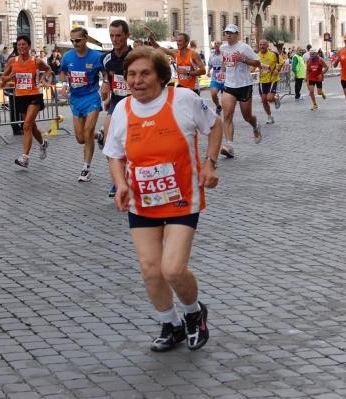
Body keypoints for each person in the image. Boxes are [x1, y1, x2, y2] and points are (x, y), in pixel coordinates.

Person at [103, 46, 222, 353]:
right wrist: (120, 184)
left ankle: (194, 313)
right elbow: (114, 154)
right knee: (150, 269)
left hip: (182, 197)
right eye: (131, 74)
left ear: (160, 76)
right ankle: (170, 324)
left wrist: (210, 163)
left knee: (172, 269)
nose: (136, 80)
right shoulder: (122, 110)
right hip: (142, 202)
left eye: (144, 73)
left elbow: (215, 125)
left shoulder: (183, 100)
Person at [59, 27, 105, 182]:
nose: (74, 43)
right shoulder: (67, 56)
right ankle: (98, 136)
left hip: (92, 97)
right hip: (76, 99)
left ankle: (86, 168)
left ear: (85, 39)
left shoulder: (96, 56)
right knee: (80, 138)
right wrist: (64, 83)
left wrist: (106, 83)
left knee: (87, 131)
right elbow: (63, 72)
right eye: (72, 40)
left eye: (77, 40)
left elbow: (106, 73)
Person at [1, 35, 52, 168]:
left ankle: (25, 157)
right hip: (20, 96)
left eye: (23, 44)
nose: (21, 47)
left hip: (34, 95)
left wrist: (44, 79)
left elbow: (49, 70)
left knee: (26, 125)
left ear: (29, 46)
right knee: (31, 126)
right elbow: (3, 78)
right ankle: (42, 143)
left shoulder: (36, 61)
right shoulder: (13, 61)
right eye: (19, 45)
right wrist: (9, 76)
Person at [100, 19, 133, 198]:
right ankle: (118, 180)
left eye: (118, 35)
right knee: (108, 144)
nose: (115, 39)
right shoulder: (106, 58)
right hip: (116, 104)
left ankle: (130, 176)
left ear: (127, 36)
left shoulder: (136, 56)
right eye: (112, 36)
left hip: (135, 105)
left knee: (131, 145)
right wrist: (105, 82)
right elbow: (106, 72)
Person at [218, 23, 261, 158]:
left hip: (244, 85)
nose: (228, 35)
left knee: (247, 116)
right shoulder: (223, 47)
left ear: (237, 35)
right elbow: (225, 61)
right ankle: (229, 146)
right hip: (229, 86)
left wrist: (242, 59)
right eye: (226, 33)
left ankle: (255, 126)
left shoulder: (244, 47)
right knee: (227, 115)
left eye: (231, 33)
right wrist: (221, 70)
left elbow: (257, 63)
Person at [145, 27, 206, 95]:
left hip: (193, 89)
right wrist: (151, 38)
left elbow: (203, 71)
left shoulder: (193, 54)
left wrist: (188, 73)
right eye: (177, 41)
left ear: (186, 43)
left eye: (180, 41)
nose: (178, 43)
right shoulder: (175, 53)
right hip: (181, 87)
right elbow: (158, 48)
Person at [257, 39, 281, 124]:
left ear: (267, 46)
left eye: (264, 44)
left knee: (269, 98)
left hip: (272, 79)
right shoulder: (257, 56)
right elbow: (253, 66)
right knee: (264, 100)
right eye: (260, 44)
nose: (262, 46)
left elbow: (280, 62)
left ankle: (275, 98)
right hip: (262, 80)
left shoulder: (273, 54)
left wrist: (277, 69)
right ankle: (269, 117)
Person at [207, 40, 224, 115]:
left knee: (225, 98)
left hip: (225, 76)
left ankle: (227, 113)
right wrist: (208, 71)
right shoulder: (211, 55)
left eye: (218, 43)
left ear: (221, 45)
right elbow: (210, 65)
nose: (216, 45)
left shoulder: (225, 54)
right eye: (215, 44)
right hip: (215, 76)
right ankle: (218, 106)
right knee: (213, 94)